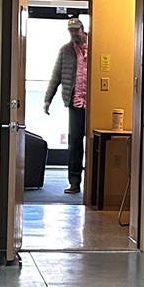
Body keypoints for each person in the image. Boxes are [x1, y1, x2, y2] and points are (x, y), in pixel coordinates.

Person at [43, 15, 91, 194]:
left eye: (76, 30)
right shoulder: (65, 51)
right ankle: (74, 182)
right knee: (75, 142)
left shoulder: (96, 46)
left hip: (94, 103)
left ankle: (92, 186)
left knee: (93, 142)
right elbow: (56, 76)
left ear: (82, 29)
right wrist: (48, 99)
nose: (73, 34)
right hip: (75, 103)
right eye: (70, 31)